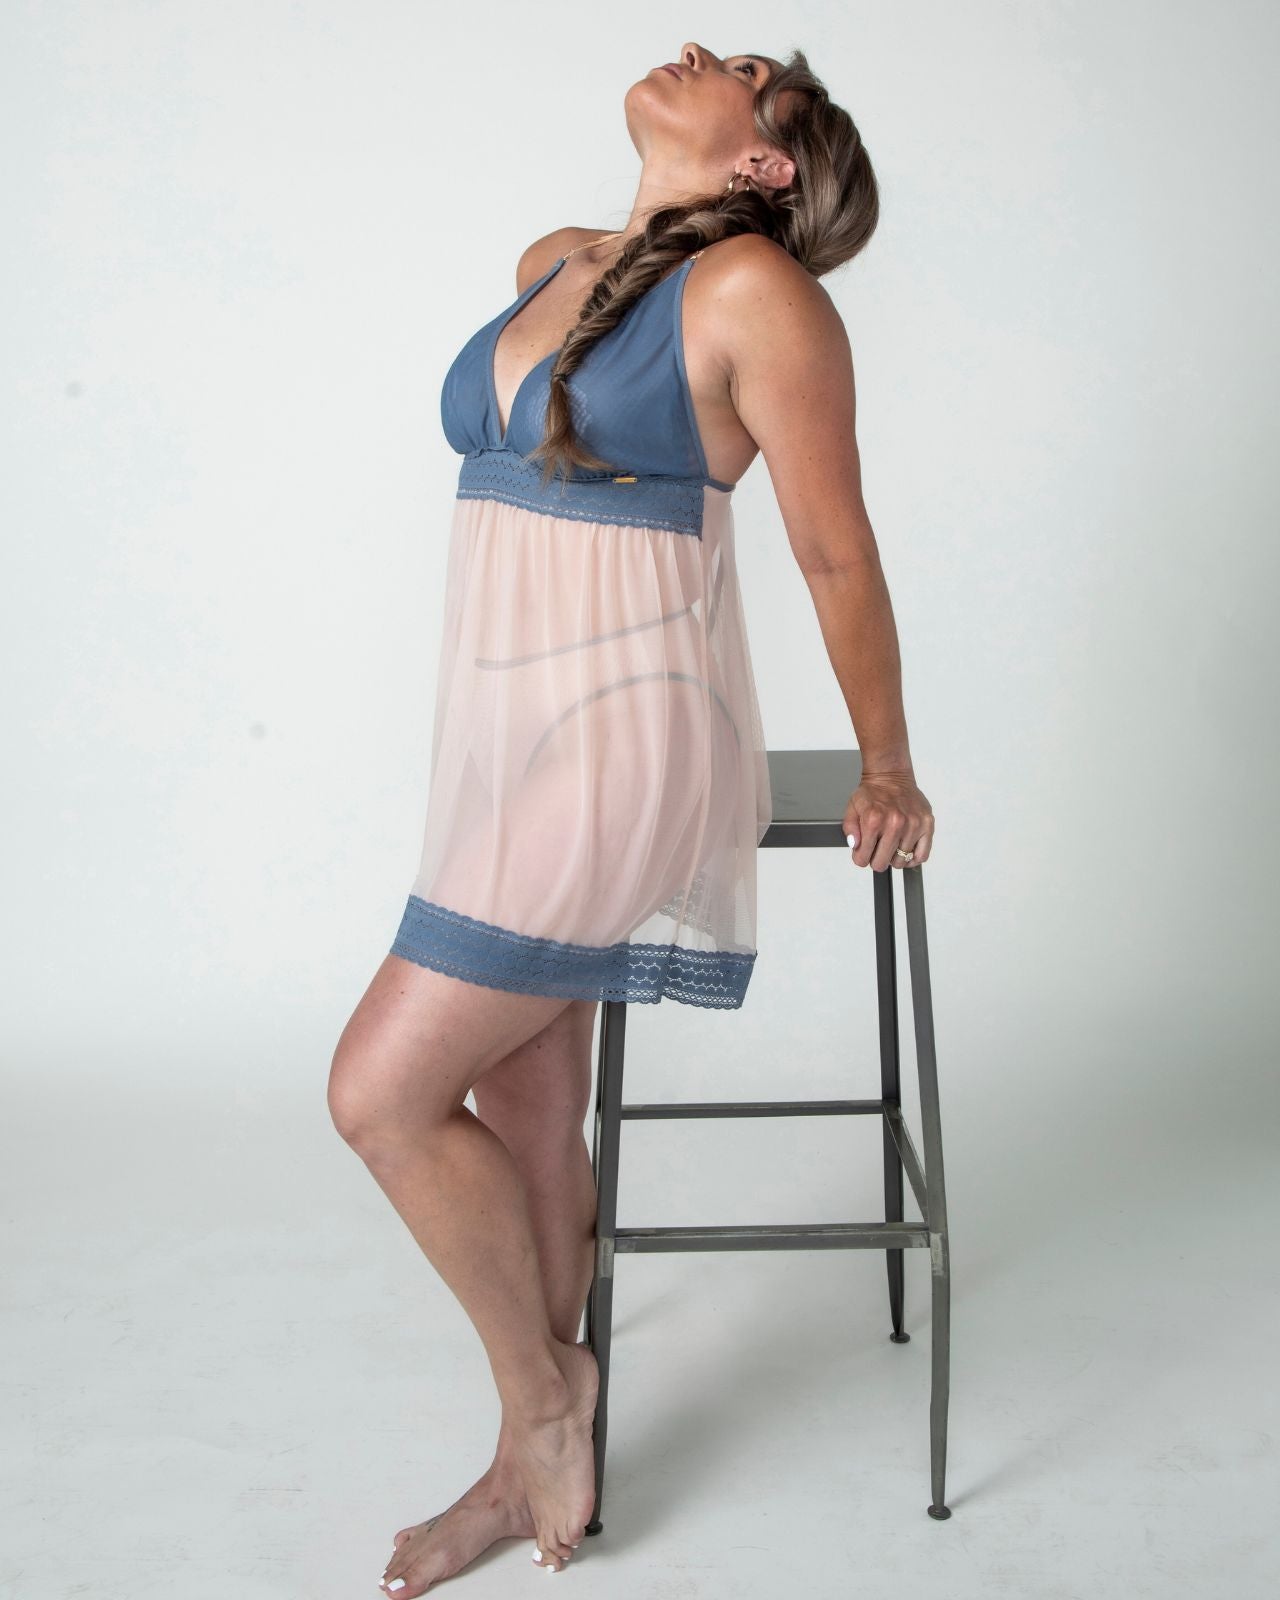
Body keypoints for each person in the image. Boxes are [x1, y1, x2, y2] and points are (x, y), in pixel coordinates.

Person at [329, 40, 936, 1595]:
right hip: (504, 743)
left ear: (766, 165)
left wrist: (886, 763)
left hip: (624, 742)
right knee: (527, 1104)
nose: (705, 50)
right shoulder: (556, 259)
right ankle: (524, 1462)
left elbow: (836, 551)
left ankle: (550, 1402)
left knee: (379, 1095)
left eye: (747, 70)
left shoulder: (756, 295)